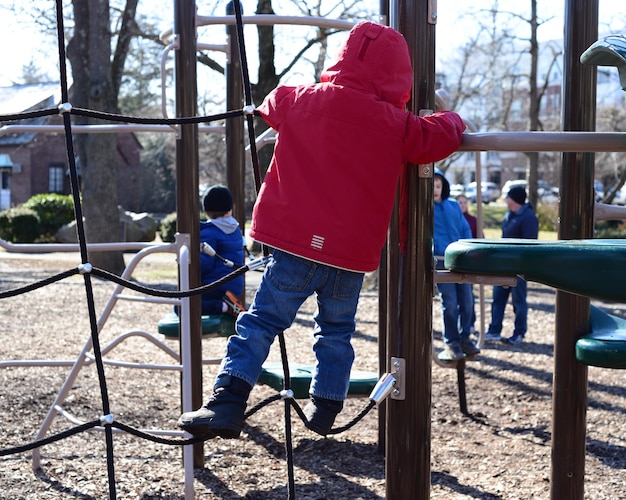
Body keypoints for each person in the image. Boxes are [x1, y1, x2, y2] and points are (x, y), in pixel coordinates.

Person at [177, 21, 466, 439]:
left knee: (260, 323)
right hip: (349, 257)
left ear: (341, 59)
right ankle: (327, 405)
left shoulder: (304, 99)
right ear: (399, 75)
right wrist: (453, 118)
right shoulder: (397, 123)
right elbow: (435, 137)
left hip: (294, 246)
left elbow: (273, 102)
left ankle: (227, 400)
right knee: (335, 331)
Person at [434, 170, 480, 361]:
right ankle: (452, 341)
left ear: (444, 186)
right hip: (442, 261)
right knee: (450, 302)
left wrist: (467, 250)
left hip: (461, 260)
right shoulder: (424, 208)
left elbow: (464, 228)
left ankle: (465, 337)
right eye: (431, 186)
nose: (435, 190)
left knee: (467, 302)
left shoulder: (453, 206)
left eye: (438, 185)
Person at [485, 185, 539, 345]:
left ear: (514, 199)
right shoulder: (510, 215)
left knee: (518, 301)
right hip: (503, 267)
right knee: (498, 299)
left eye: (508, 197)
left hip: (519, 267)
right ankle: (494, 330)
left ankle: (519, 332)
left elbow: (529, 244)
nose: (506, 200)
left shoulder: (528, 217)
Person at [198, 185, 246, 317]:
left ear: (206, 210)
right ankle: (229, 303)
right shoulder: (236, 230)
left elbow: (204, 265)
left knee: (181, 306)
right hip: (235, 286)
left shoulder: (209, 233)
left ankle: (225, 306)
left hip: (216, 285)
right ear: (230, 209)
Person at [456, 193, 482, 333]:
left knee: (468, 296)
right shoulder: (453, 219)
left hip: (469, 261)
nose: (462, 205)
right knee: (455, 299)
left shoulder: (473, 220)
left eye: (464, 202)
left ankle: (470, 323)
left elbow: (480, 237)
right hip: (457, 259)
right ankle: (459, 326)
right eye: (459, 202)